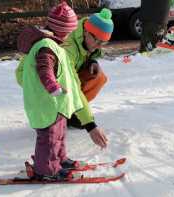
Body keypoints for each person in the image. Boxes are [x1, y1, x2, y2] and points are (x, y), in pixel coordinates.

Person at [16, 2, 106, 181]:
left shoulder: (54, 45)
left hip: (55, 103)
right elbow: (44, 69)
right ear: (63, 30)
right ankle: (47, 170)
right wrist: (53, 87)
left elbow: (70, 80)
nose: (72, 34)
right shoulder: (46, 46)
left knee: (58, 134)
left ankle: (60, 159)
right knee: (49, 138)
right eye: (70, 30)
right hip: (46, 102)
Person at [60, 8, 113, 144]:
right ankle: (60, 114)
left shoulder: (88, 37)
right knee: (72, 86)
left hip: (69, 77)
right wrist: (90, 125)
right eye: (97, 41)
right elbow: (71, 86)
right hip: (49, 86)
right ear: (85, 32)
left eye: (103, 43)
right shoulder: (68, 48)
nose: (98, 46)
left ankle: (72, 113)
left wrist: (92, 61)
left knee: (99, 77)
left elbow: (89, 52)